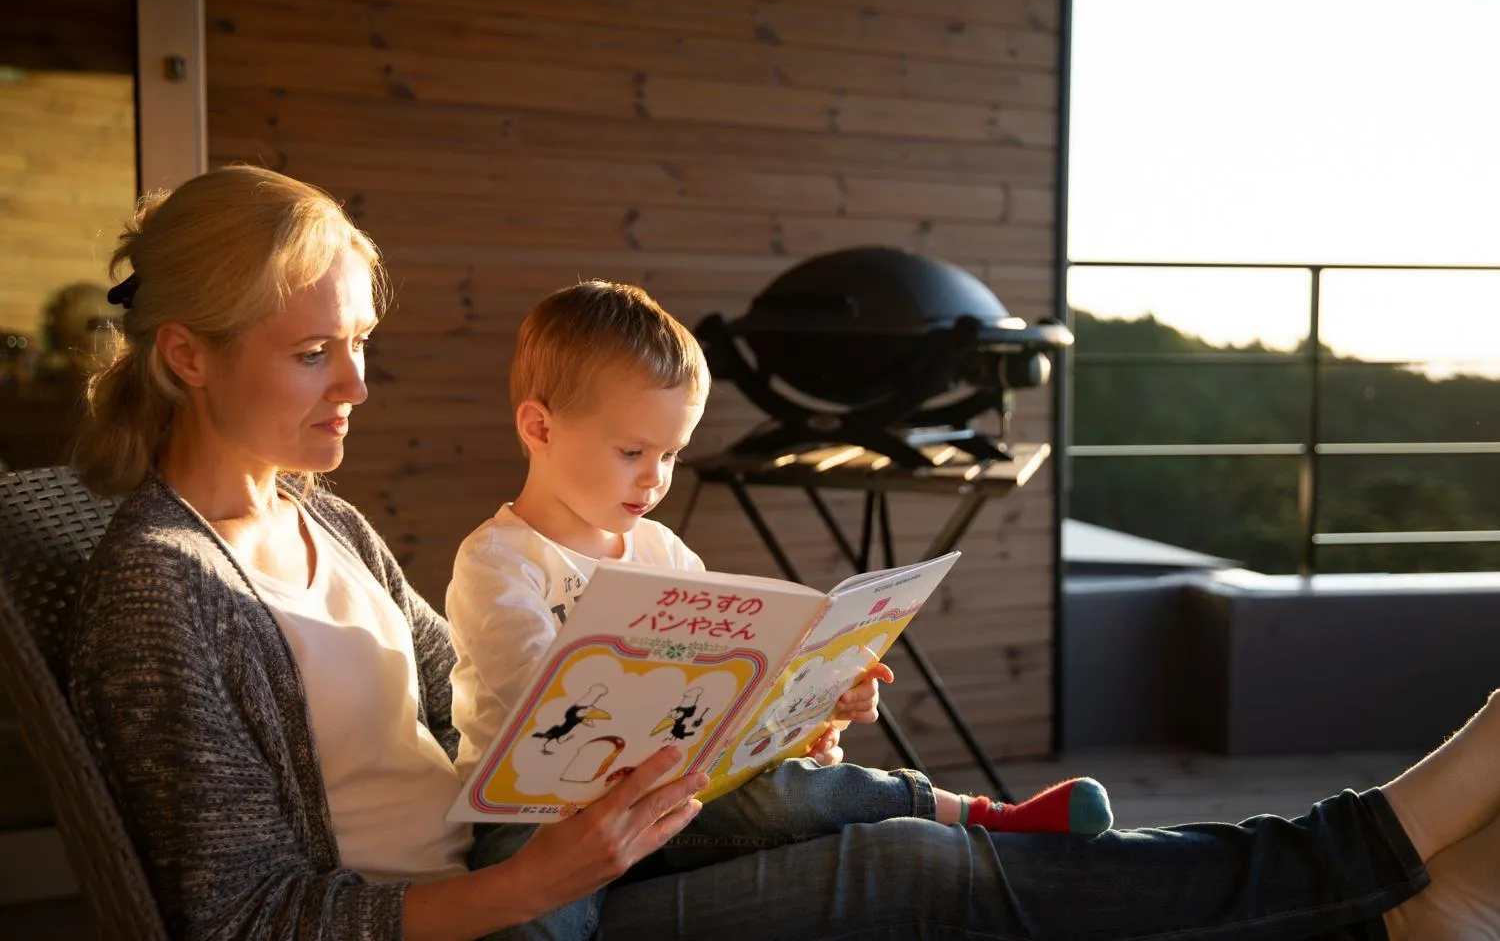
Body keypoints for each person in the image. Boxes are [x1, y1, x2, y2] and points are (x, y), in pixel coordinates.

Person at [64, 164, 1500, 941]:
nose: (356, 390)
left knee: (881, 815)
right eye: (314, 353)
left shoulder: (325, 522)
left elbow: (491, 719)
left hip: (546, 865)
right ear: (186, 355)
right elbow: (242, 918)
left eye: (361, 347)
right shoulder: (158, 591)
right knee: (928, 880)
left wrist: (749, 704)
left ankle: (1365, 884)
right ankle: (1362, 860)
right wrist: (532, 884)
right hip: (494, 920)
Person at [446, 280, 1115, 935]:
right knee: (526, 920)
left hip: (667, 797)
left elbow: (728, 686)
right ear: (539, 427)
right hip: (539, 815)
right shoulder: (500, 562)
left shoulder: (663, 552)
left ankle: (983, 816)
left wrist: (809, 706)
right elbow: (538, 700)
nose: (655, 477)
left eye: (671, 454)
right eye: (632, 452)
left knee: (785, 795)